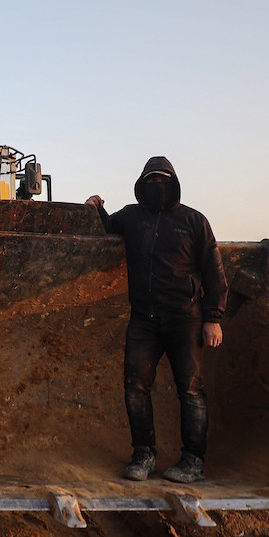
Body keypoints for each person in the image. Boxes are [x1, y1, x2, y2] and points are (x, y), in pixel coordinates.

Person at [86, 156, 228, 483]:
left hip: (186, 319)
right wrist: (96, 208)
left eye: (163, 180)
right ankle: (144, 455)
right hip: (144, 321)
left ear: (174, 183)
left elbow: (214, 271)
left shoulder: (194, 221)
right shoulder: (131, 217)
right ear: (142, 184)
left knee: (190, 390)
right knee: (135, 387)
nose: (158, 186)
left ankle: (193, 461)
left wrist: (213, 318)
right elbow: (107, 229)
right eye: (152, 180)